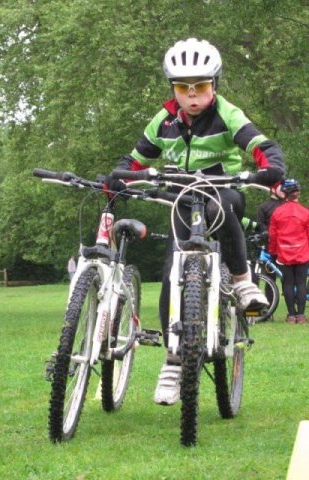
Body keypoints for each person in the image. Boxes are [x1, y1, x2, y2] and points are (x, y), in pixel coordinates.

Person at [106, 38, 285, 405]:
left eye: (200, 86)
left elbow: (262, 147)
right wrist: (120, 176)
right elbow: (136, 159)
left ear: (214, 85)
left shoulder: (228, 114)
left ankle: (242, 282)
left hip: (223, 190)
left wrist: (272, 171)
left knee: (225, 206)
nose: (192, 95)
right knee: (173, 266)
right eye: (183, 87)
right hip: (182, 201)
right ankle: (173, 359)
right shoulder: (165, 120)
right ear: (173, 88)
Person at [268, 180, 309, 324]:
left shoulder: (277, 212)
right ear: (298, 193)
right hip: (302, 252)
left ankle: (291, 315)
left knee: (288, 284)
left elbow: (273, 236)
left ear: (284, 193)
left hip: (284, 253)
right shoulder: (305, 212)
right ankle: (302, 316)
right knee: (302, 283)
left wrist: (273, 252)